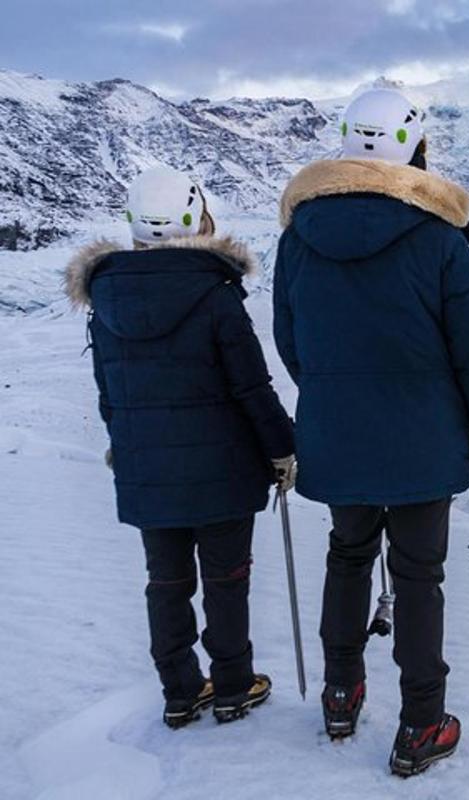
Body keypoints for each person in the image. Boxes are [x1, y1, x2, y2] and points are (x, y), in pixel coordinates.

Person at [273, 88, 469, 777]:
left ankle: (340, 695)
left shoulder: (299, 238)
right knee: (417, 575)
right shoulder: (438, 237)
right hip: (423, 435)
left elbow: (292, 340)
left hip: (337, 431)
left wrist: (333, 398)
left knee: (348, 555)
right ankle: (421, 723)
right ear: (413, 145)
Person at [66, 167, 296, 728]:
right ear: (193, 218)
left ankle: (179, 690)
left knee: (165, 582)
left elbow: (110, 393)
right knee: (226, 581)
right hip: (223, 470)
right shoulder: (215, 294)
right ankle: (234, 687)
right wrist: (282, 450)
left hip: (149, 469)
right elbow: (251, 387)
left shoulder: (107, 298)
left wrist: (125, 447)